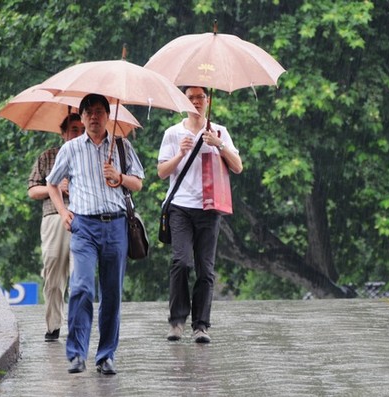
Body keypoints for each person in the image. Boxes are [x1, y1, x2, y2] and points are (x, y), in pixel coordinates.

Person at [46, 93, 144, 375]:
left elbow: (138, 182)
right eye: (87, 112)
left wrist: (119, 177)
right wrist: (64, 212)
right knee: (82, 288)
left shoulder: (121, 146)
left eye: (99, 111)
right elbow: (52, 184)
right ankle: (77, 353)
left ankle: (106, 356)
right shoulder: (71, 149)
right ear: (81, 116)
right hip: (84, 227)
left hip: (116, 225)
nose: (93, 116)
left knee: (112, 293)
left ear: (108, 115)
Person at [157, 86, 243, 343]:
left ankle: (201, 325)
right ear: (184, 101)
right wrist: (181, 153)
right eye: (190, 98)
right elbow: (162, 172)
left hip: (209, 207)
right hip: (180, 207)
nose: (195, 102)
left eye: (200, 97)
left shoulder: (219, 131)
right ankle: (177, 321)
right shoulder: (173, 133)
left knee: (206, 269)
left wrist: (219, 145)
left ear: (207, 100)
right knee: (181, 262)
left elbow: (237, 166)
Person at [27, 113, 83, 343]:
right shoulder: (49, 156)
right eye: (73, 129)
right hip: (53, 217)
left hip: (83, 215)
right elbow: (32, 190)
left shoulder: (91, 154)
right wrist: (55, 187)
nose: (77, 134)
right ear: (63, 132)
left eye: (81, 129)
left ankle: (79, 325)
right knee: (53, 270)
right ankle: (53, 325)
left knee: (79, 273)